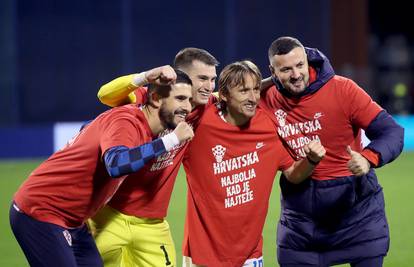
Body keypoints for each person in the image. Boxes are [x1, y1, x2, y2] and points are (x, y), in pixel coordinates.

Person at [9, 69, 194, 267]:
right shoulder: (127, 122)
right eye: (180, 99)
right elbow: (116, 165)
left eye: (189, 100)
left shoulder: (135, 123)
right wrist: (172, 139)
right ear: (156, 99)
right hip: (41, 212)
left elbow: (91, 130)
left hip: (74, 221)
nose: (187, 107)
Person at [261, 36, 404, 266]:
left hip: (358, 219)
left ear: (308, 61)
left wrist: (368, 159)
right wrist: (265, 83)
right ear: (272, 71)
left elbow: (392, 132)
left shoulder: (343, 89)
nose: (296, 74)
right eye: (286, 69)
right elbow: (228, 97)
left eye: (300, 65)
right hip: (301, 229)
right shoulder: (266, 98)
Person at [181, 60, 326, 267]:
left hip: (250, 255)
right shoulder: (200, 123)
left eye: (256, 90)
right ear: (223, 95)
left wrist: (311, 160)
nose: (252, 98)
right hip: (202, 255)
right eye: (243, 91)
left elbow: (293, 173)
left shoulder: (268, 126)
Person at [90, 48, 219, 267]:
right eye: (203, 79)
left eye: (213, 79)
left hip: (153, 224)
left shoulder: (205, 107)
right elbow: (105, 95)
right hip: (108, 215)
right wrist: (145, 77)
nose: (209, 86)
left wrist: (275, 81)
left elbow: (245, 91)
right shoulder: (151, 99)